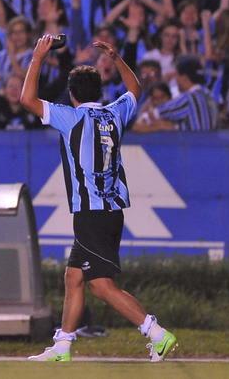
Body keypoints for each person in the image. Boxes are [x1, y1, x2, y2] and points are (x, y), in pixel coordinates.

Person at [20, 34, 177, 362]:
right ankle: (62, 345)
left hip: (91, 212)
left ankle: (156, 333)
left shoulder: (71, 117)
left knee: (101, 286)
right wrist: (117, 57)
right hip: (111, 209)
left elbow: (27, 99)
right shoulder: (114, 114)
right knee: (74, 276)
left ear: (72, 94)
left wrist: (37, 57)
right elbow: (135, 89)